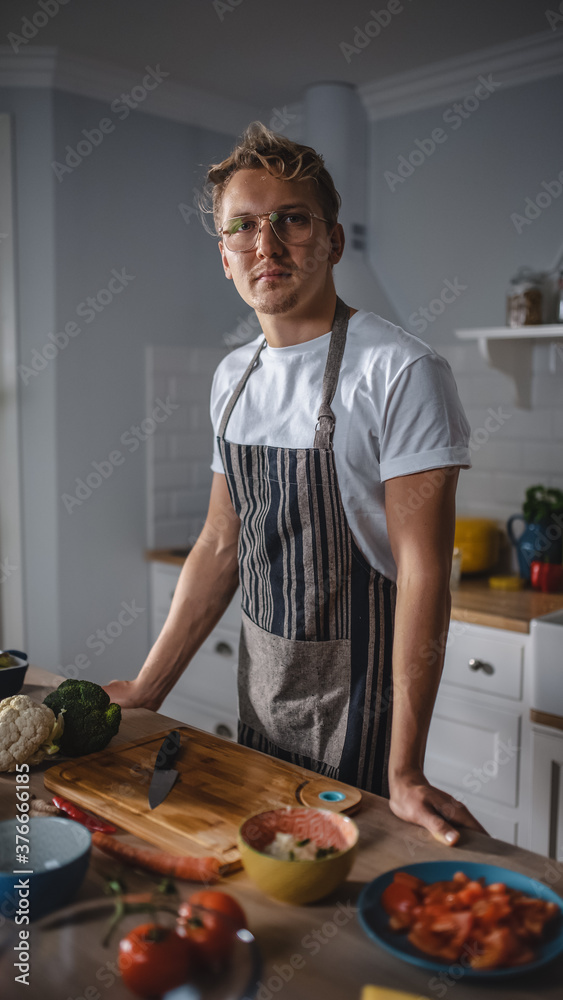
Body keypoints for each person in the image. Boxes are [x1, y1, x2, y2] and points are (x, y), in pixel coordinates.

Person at [105, 122, 487, 846]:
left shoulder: (400, 371)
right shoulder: (231, 376)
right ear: (224, 256)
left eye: (292, 220)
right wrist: (149, 686)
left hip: (365, 710)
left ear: (333, 241)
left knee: (347, 899)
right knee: (268, 887)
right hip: (263, 696)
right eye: (243, 227)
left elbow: (423, 575)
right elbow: (222, 543)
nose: (267, 245)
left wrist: (406, 769)